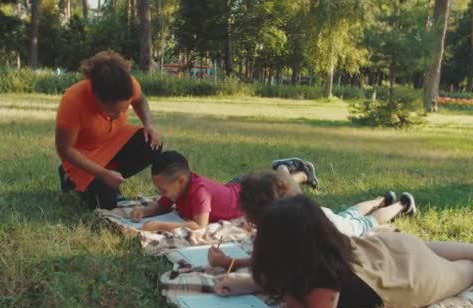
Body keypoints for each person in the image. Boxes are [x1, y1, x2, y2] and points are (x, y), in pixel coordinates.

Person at [214, 195, 473, 308]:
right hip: (391, 251)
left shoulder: (321, 276)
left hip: (406, 282)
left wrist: (274, 289)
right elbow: (279, 276)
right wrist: (248, 284)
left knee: (467, 272)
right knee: (430, 246)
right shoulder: (327, 246)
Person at [207, 171, 415, 270]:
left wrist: (228, 263)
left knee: (366, 222)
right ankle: (382, 199)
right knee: (351, 212)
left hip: (339, 228)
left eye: (253, 221)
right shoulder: (291, 215)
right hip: (325, 215)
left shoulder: (290, 232)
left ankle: (401, 205)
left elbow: (269, 264)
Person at [55, 50, 162, 210]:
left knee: (152, 144)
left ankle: (110, 174)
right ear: (96, 97)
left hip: (113, 142)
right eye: (112, 112)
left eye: (124, 109)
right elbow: (65, 149)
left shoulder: (129, 85)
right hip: (82, 155)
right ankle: (69, 177)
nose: (119, 115)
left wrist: (149, 124)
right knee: (105, 204)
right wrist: (101, 174)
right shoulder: (73, 101)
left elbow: (140, 101)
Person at [128, 152, 318, 232]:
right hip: (231, 188)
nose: (162, 194)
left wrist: (159, 226)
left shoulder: (199, 191)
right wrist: (143, 212)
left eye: (163, 190)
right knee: (280, 188)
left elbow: (199, 226)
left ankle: (287, 170)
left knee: (282, 193)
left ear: (181, 180)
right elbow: (161, 205)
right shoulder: (176, 189)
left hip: (245, 195)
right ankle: (298, 173)